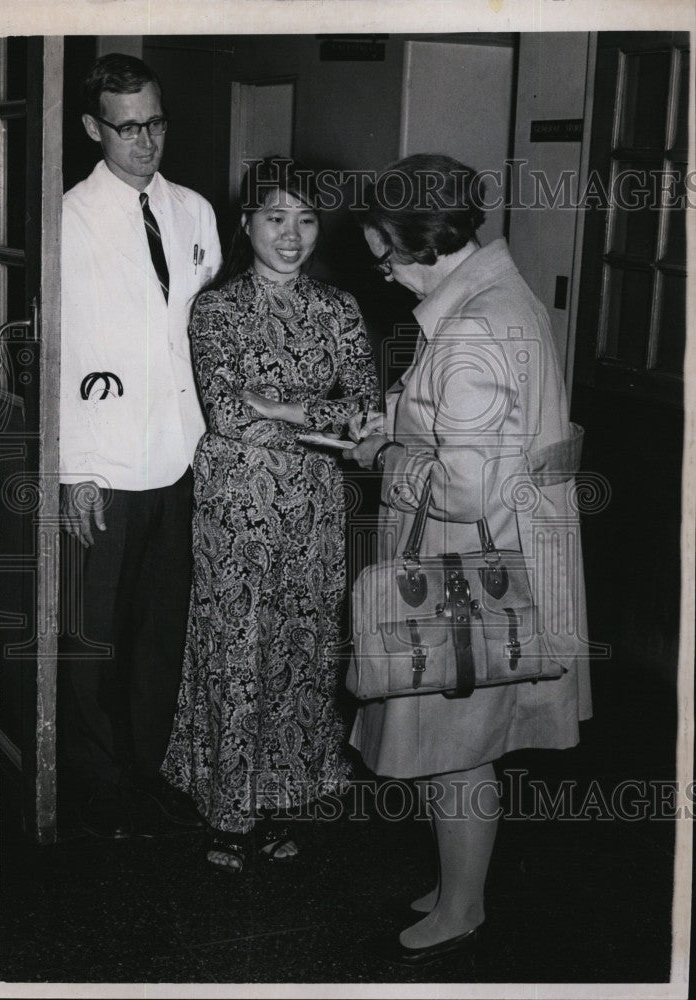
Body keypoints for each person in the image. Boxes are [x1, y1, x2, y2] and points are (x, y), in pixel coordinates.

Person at [344, 154, 592, 965]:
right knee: (464, 740)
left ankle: (462, 909)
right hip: (519, 557)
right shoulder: (499, 298)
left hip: (469, 568)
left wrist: (387, 454)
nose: (383, 273)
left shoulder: (473, 326)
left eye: (384, 254)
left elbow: (465, 489)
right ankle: (460, 884)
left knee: (456, 747)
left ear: (419, 242)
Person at [160, 157, 380, 872]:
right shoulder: (216, 309)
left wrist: (281, 405)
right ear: (247, 222)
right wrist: (317, 418)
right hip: (236, 502)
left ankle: (282, 791)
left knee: (301, 644)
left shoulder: (340, 307)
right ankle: (229, 807)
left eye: (307, 219)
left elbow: (365, 415)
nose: (292, 236)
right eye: (276, 217)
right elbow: (226, 418)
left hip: (315, 502)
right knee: (237, 642)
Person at [59, 53, 222, 839]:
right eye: (127, 128)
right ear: (95, 128)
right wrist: (75, 469)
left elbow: (200, 332)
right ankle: (97, 790)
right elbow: (61, 352)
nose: (145, 140)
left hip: (182, 454)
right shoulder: (66, 219)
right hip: (106, 463)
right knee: (94, 637)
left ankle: (149, 773)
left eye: (155, 122)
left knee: (163, 630)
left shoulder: (193, 211)